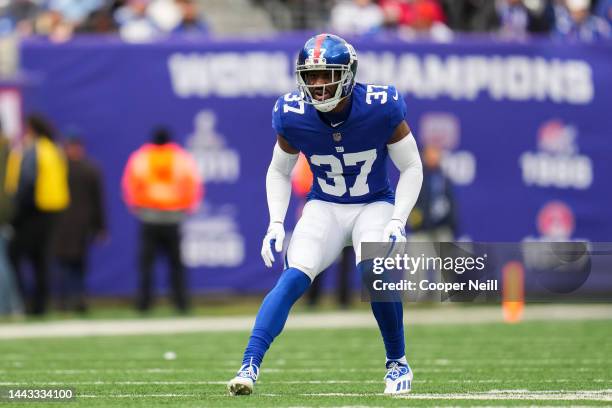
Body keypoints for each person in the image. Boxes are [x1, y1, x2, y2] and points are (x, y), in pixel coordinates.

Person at [227, 33, 423, 396]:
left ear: (348, 74)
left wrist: (398, 218)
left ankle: (397, 361)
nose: (318, 84)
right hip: (325, 207)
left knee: (374, 270)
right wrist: (275, 222)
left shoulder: (381, 105)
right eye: (311, 75)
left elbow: (411, 166)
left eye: (326, 74)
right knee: (292, 277)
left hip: (373, 204)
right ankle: (249, 363)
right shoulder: (292, 114)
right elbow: (278, 171)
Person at [122, 127, 202, 313]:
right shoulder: (181, 158)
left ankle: (144, 305)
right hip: (173, 218)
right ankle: (181, 304)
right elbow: (192, 185)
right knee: (176, 265)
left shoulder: (140, 158)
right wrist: (186, 208)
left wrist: (137, 207)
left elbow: (130, 185)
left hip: (149, 217)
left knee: (146, 265)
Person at [7, 114, 70, 315]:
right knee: (41, 260)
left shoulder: (34, 149)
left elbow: (27, 180)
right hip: (52, 213)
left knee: (15, 255)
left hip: (32, 212)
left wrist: (16, 212)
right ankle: (40, 305)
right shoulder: (54, 149)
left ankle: (21, 302)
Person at [54, 132, 106, 313]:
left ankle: (77, 300)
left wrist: (100, 227)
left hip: (78, 225)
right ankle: (67, 301)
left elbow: (98, 201)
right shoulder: (63, 169)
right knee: (65, 265)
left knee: (77, 265)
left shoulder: (88, 170)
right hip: (63, 224)